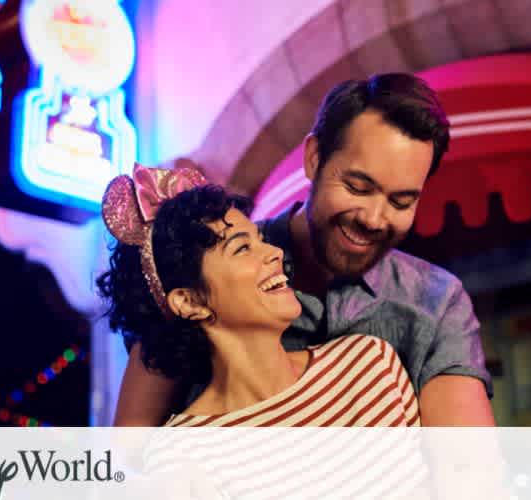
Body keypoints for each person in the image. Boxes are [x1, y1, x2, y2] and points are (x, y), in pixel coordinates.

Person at [113, 73, 494, 427]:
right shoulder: (209, 267)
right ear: (314, 158)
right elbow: (131, 451)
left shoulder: (433, 301)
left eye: (400, 202)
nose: (375, 219)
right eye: (358, 187)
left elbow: (466, 470)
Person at [96, 166, 420, 428]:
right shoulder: (183, 457)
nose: (276, 252)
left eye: (261, 239)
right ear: (189, 302)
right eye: (242, 247)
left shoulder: (371, 364)